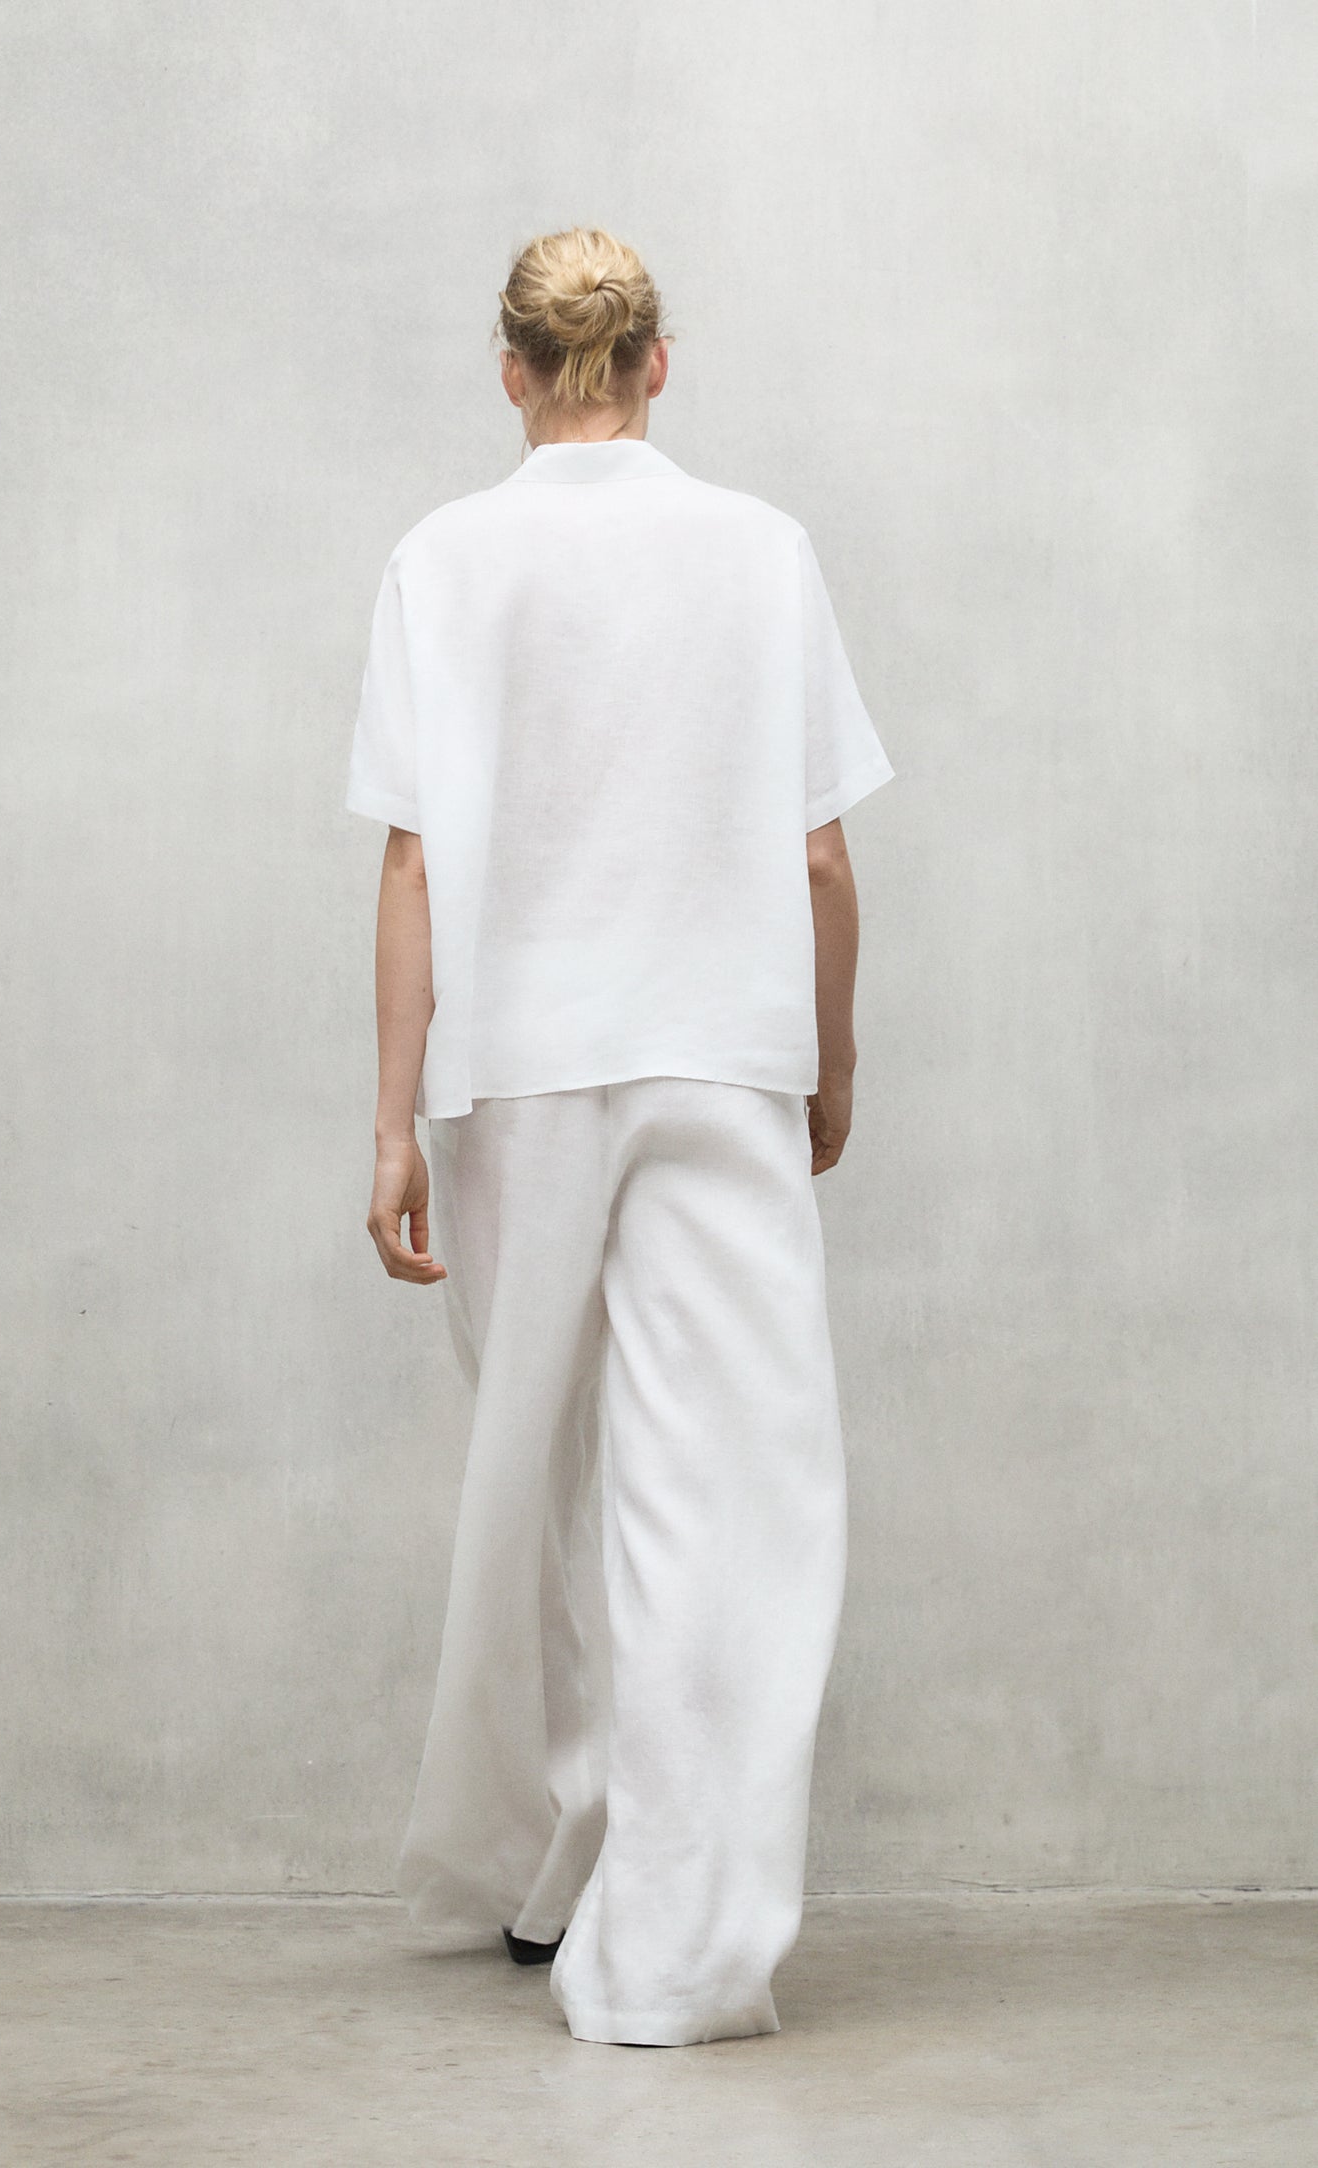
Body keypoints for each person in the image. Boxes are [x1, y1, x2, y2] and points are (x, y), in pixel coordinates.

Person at [344, 225, 895, 2047]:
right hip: (716, 1051)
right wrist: (826, 1059)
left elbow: (412, 865)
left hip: (514, 1068)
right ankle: (670, 1942)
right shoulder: (759, 548)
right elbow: (819, 857)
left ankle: (558, 1857)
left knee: (539, 1474)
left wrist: (391, 1123)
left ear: (509, 372)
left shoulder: (441, 557)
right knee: (722, 1492)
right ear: (660, 363)